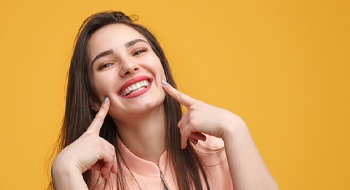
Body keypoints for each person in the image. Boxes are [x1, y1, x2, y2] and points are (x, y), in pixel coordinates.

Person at [50, 11, 279, 190]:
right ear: (92, 99)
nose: (129, 66)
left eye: (138, 51)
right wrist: (64, 170)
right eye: (106, 64)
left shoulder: (222, 150)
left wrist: (236, 128)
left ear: (161, 67)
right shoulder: (87, 180)